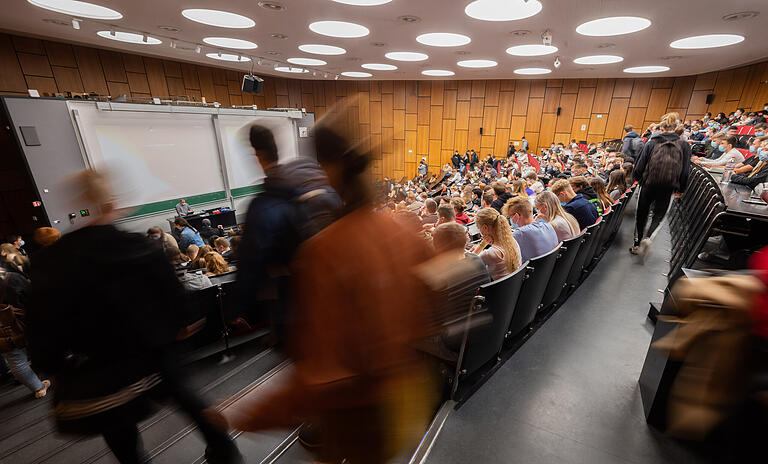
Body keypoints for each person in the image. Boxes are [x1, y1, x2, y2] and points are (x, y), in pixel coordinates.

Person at [213, 121, 436, 464]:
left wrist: (245, 413)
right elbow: (431, 307)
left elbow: (324, 372)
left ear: (328, 168)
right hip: (405, 401)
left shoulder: (324, 252)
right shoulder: (403, 231)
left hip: (355, 418)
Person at [28, 170, 242, 464]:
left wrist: (49, 365)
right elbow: (174, 296)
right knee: (187, 398)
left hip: (99, 360)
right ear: (113, 203)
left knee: (117, 427)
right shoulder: (140, 246)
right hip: (155, 350)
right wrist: (180, 327)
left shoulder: (53, 260)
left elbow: (43, 319)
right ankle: (224, 450)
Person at [236, 125, 341, 345]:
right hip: (331, 291)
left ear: (258, 155)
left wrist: (238, 308)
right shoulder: (318, 187)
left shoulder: (265, 205)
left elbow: (251, 259)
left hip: (294, 302)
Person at [632, 112, 692, 259]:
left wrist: (640, 181)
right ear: (676, 127)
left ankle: (637, 243)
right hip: (669, 186)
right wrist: (681, 188)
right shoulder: (684, 145)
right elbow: (685, 171)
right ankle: (649, 238)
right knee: (659, 215)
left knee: (642, 213)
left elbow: (639, 166)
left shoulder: (652, 142)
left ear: (661, 127)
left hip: (648, 184)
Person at [0, 266, 50, 399]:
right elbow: (33, 296)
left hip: (3, 332)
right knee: (43, 346)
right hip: (26, 322)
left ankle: (38, 388)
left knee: (16, 361)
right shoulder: (11, 278)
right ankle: (56, 374)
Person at [471, 207, 522, 280]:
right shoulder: (512, 241)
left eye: (479, 227)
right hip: (513, 286)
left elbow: (469, 263)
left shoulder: (490, 254)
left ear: (485, 227)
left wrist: (481, 245)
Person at [504, 196, 558, 262]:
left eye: (510, 216)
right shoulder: (548, 226)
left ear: (517, 216)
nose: (510, 219)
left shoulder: (519, 233)